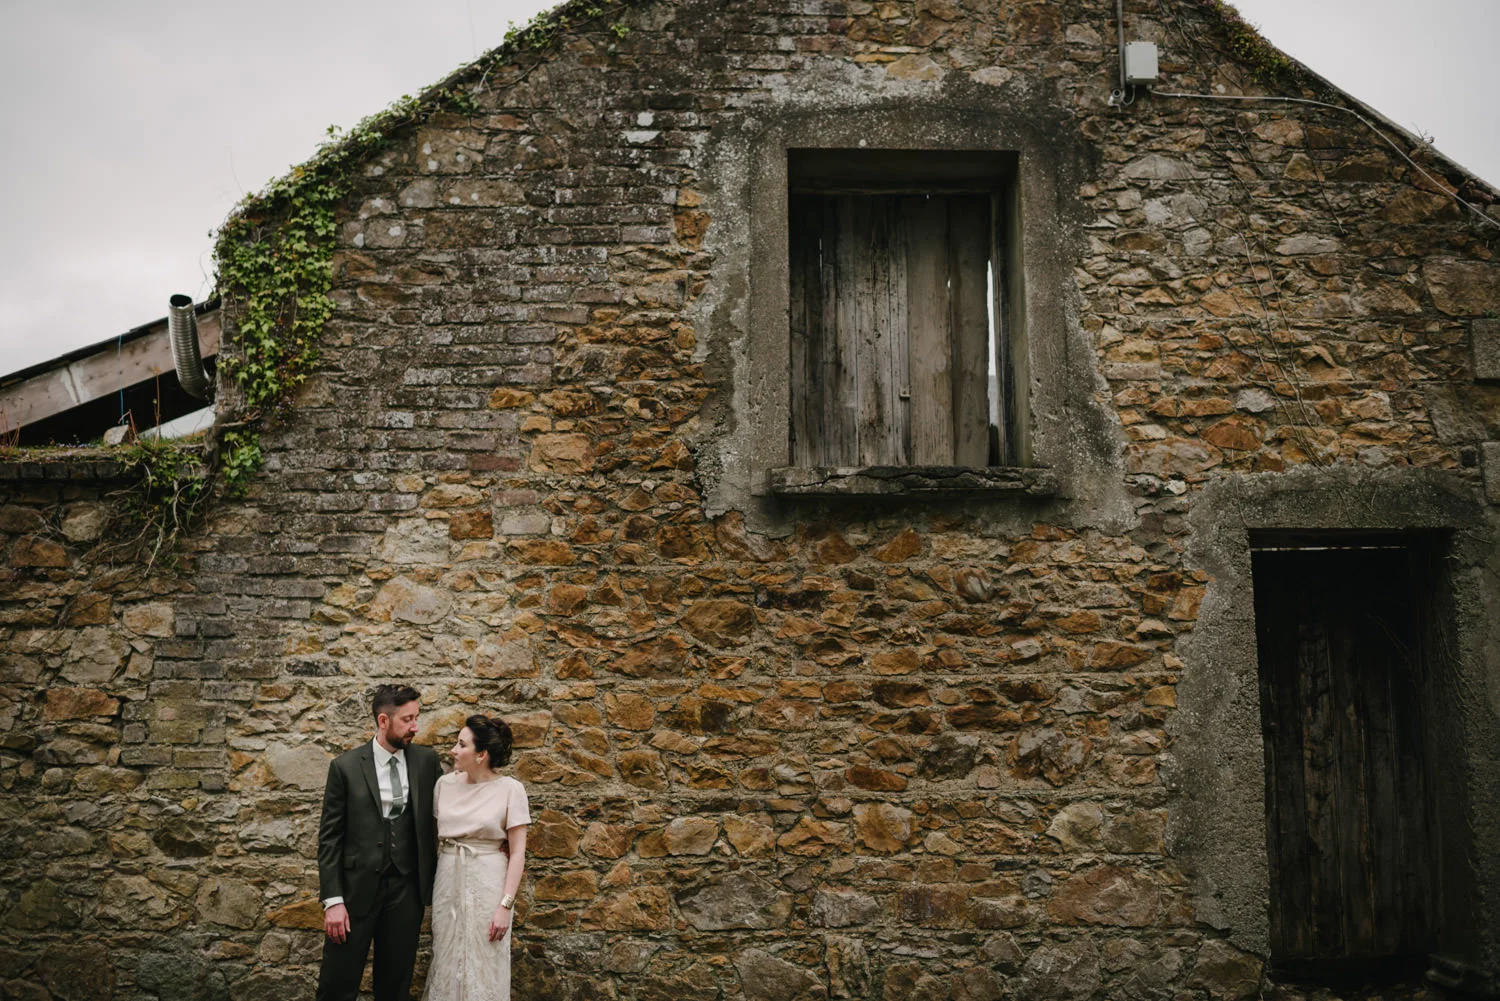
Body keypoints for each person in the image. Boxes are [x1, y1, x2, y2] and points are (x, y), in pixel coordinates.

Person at [315, 684, 439, 1001]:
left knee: (395, 988)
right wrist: (333, 901)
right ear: (383, 721)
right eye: (407, 720)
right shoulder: (344, 767)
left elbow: (446, 813)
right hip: (354, 894)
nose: (415, 727)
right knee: (336, 986)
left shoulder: (427, 762)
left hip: (406, 892)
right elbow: (330, 839)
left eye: (416, 718)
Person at [423, 714, 531, 1001]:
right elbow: (434, 837)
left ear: (481, 754)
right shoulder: (443, 785)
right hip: (449, 878)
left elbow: (518, 851)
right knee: (446, 954)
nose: (453, 751)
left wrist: (505, 906)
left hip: (489, 881)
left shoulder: (511, 790)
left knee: (486, 957)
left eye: (461, 745)